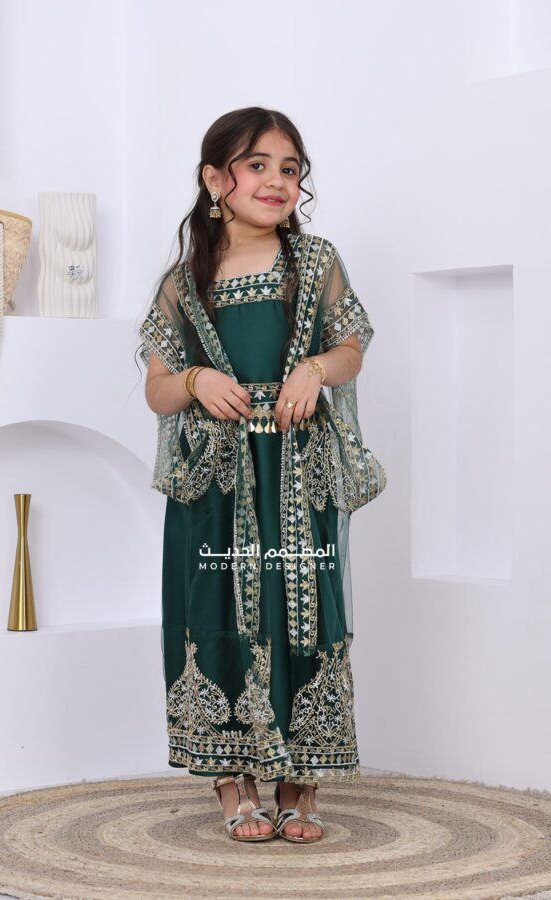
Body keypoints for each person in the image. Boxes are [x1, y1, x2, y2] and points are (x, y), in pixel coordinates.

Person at [136, 107, 386, 843]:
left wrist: (314, 369)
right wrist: (195, 381)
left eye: (290, 168)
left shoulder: (315, 262)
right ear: (217, 179)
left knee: (305, 607)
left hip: (297, 468)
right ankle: (232, 781)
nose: (277, 181)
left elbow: (351, 348)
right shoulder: (184, 283)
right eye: (258, 165)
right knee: (213, 606)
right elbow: (157, 390)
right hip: (214, 481)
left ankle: (302, 782)